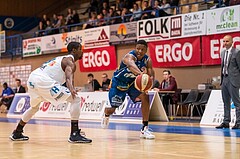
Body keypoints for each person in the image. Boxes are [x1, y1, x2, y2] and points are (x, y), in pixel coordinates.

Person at [9, 42, 92, 143]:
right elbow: (68, 78)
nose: (82, 52)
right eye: (80, 49)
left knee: (34, 107)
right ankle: (74, 134)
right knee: (76, 99)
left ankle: (17, 132)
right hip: (42, 80)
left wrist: (70, 88)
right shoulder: (70, 61)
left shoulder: (61, 59)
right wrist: (71, 89)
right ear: (74, 50)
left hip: (33, 78)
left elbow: (64, 79)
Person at [101, 40, 155, 139]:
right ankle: (106, 113)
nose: (139, 51)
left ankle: (144, 128)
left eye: (142, 49)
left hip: (132, 84)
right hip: (119, 83)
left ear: (146, 50)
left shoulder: (147, 60)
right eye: (138, 48)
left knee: (145, 96)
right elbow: (130, 65)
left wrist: (150, 84)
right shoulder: (129, 57)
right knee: (112, 109)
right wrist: (141, 74)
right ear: (135, 48)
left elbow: (151, 73)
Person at [216, 35, 240, 129]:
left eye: (227, 41)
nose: (225, 43)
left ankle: (238, 122)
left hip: (233, 80)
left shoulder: (237, 52)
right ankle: (226, 121)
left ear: (232, 42)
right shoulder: (222, 52)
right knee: (225, 102)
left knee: (236, 102)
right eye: (224, 41)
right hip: (224, 79)